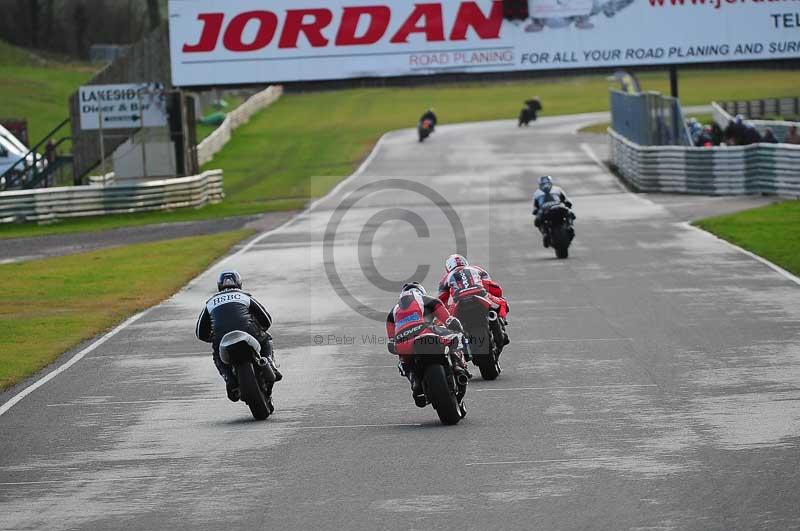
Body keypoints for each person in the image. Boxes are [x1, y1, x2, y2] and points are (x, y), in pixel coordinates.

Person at [196, 270, 282, 403]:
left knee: (217, 355)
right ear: (239, 283)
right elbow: (267, 320)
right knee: (267, 339)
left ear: (219, 285)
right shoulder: (244, 296)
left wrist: (213, 338)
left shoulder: (210, 303)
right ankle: (270, 363)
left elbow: (200, 333)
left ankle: (229, 379)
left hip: (221, 337)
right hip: (250, 332)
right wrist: (260, 329)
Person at [386, 282, 467, 406]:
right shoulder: (424, 299)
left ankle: (414, 380)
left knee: (402, 360)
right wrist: (451, 322)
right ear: (420, 291)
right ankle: (457, 365)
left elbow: (392, 340)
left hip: (405, 341)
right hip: (425, 330)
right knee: (456, 336)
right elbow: (444, 314)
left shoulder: (393, 310)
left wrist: (394, 344)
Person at [438, 254, 510, 322]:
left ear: (448, 267)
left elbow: (442, 300)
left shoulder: (445, 278)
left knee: (445, 320)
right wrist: (497, 296)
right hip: (481, 295)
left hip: (458, 301)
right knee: (503, 303)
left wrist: (447, 310)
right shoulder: (476, 269)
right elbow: (490, 285)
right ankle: (501, 320)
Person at [532, 175, 573, 248]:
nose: (546, 185)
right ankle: (546, 233)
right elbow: (566, 200)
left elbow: (535, 207)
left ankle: (568, 227)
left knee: (570, 214)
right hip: (553, 209)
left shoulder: (537, 193)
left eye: (547, 183)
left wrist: (535, 211)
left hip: (555, 209)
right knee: (537, 221)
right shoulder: (557, 189)